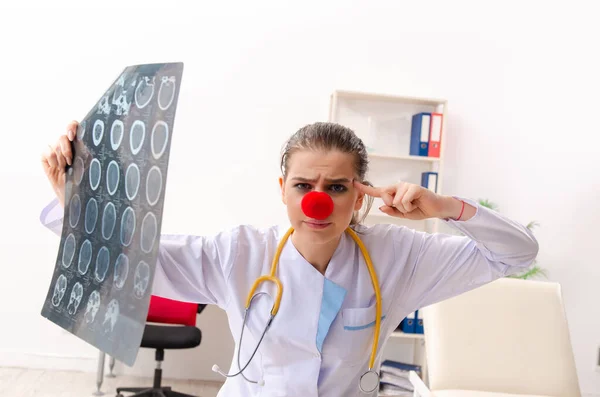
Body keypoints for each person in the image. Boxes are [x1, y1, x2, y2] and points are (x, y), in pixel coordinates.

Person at [39, 120, 539, 397]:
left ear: (359, 197)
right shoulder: (238, 253)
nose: (316, 202)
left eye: (337, 188)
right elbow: (130, 257)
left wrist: (444, 207)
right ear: (283, 191)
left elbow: (516, 254)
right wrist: (77, 195)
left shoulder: (399, 256)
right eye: (304, 186)